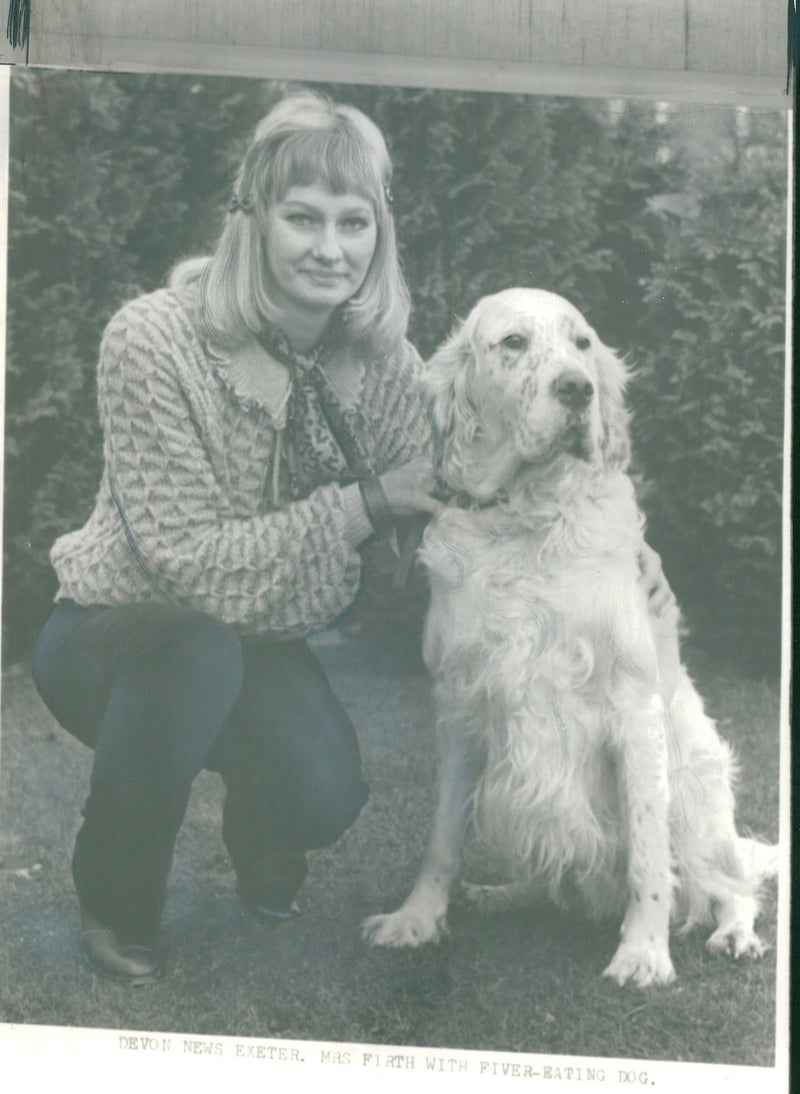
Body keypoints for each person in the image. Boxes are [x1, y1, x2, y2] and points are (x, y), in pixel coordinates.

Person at [32, 90, 442, 984]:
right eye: (302, 217)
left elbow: (443, 498)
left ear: (381, 235)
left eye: (353, 221)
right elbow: (188, 567)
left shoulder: (387, 366)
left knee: (326, 792)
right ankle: (118, 899)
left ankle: (266, 831)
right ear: (251, 218)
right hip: (118, 634)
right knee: (195, 650)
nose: (330, 248)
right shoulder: (153, 338)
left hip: (257, 642)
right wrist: (366, 506)